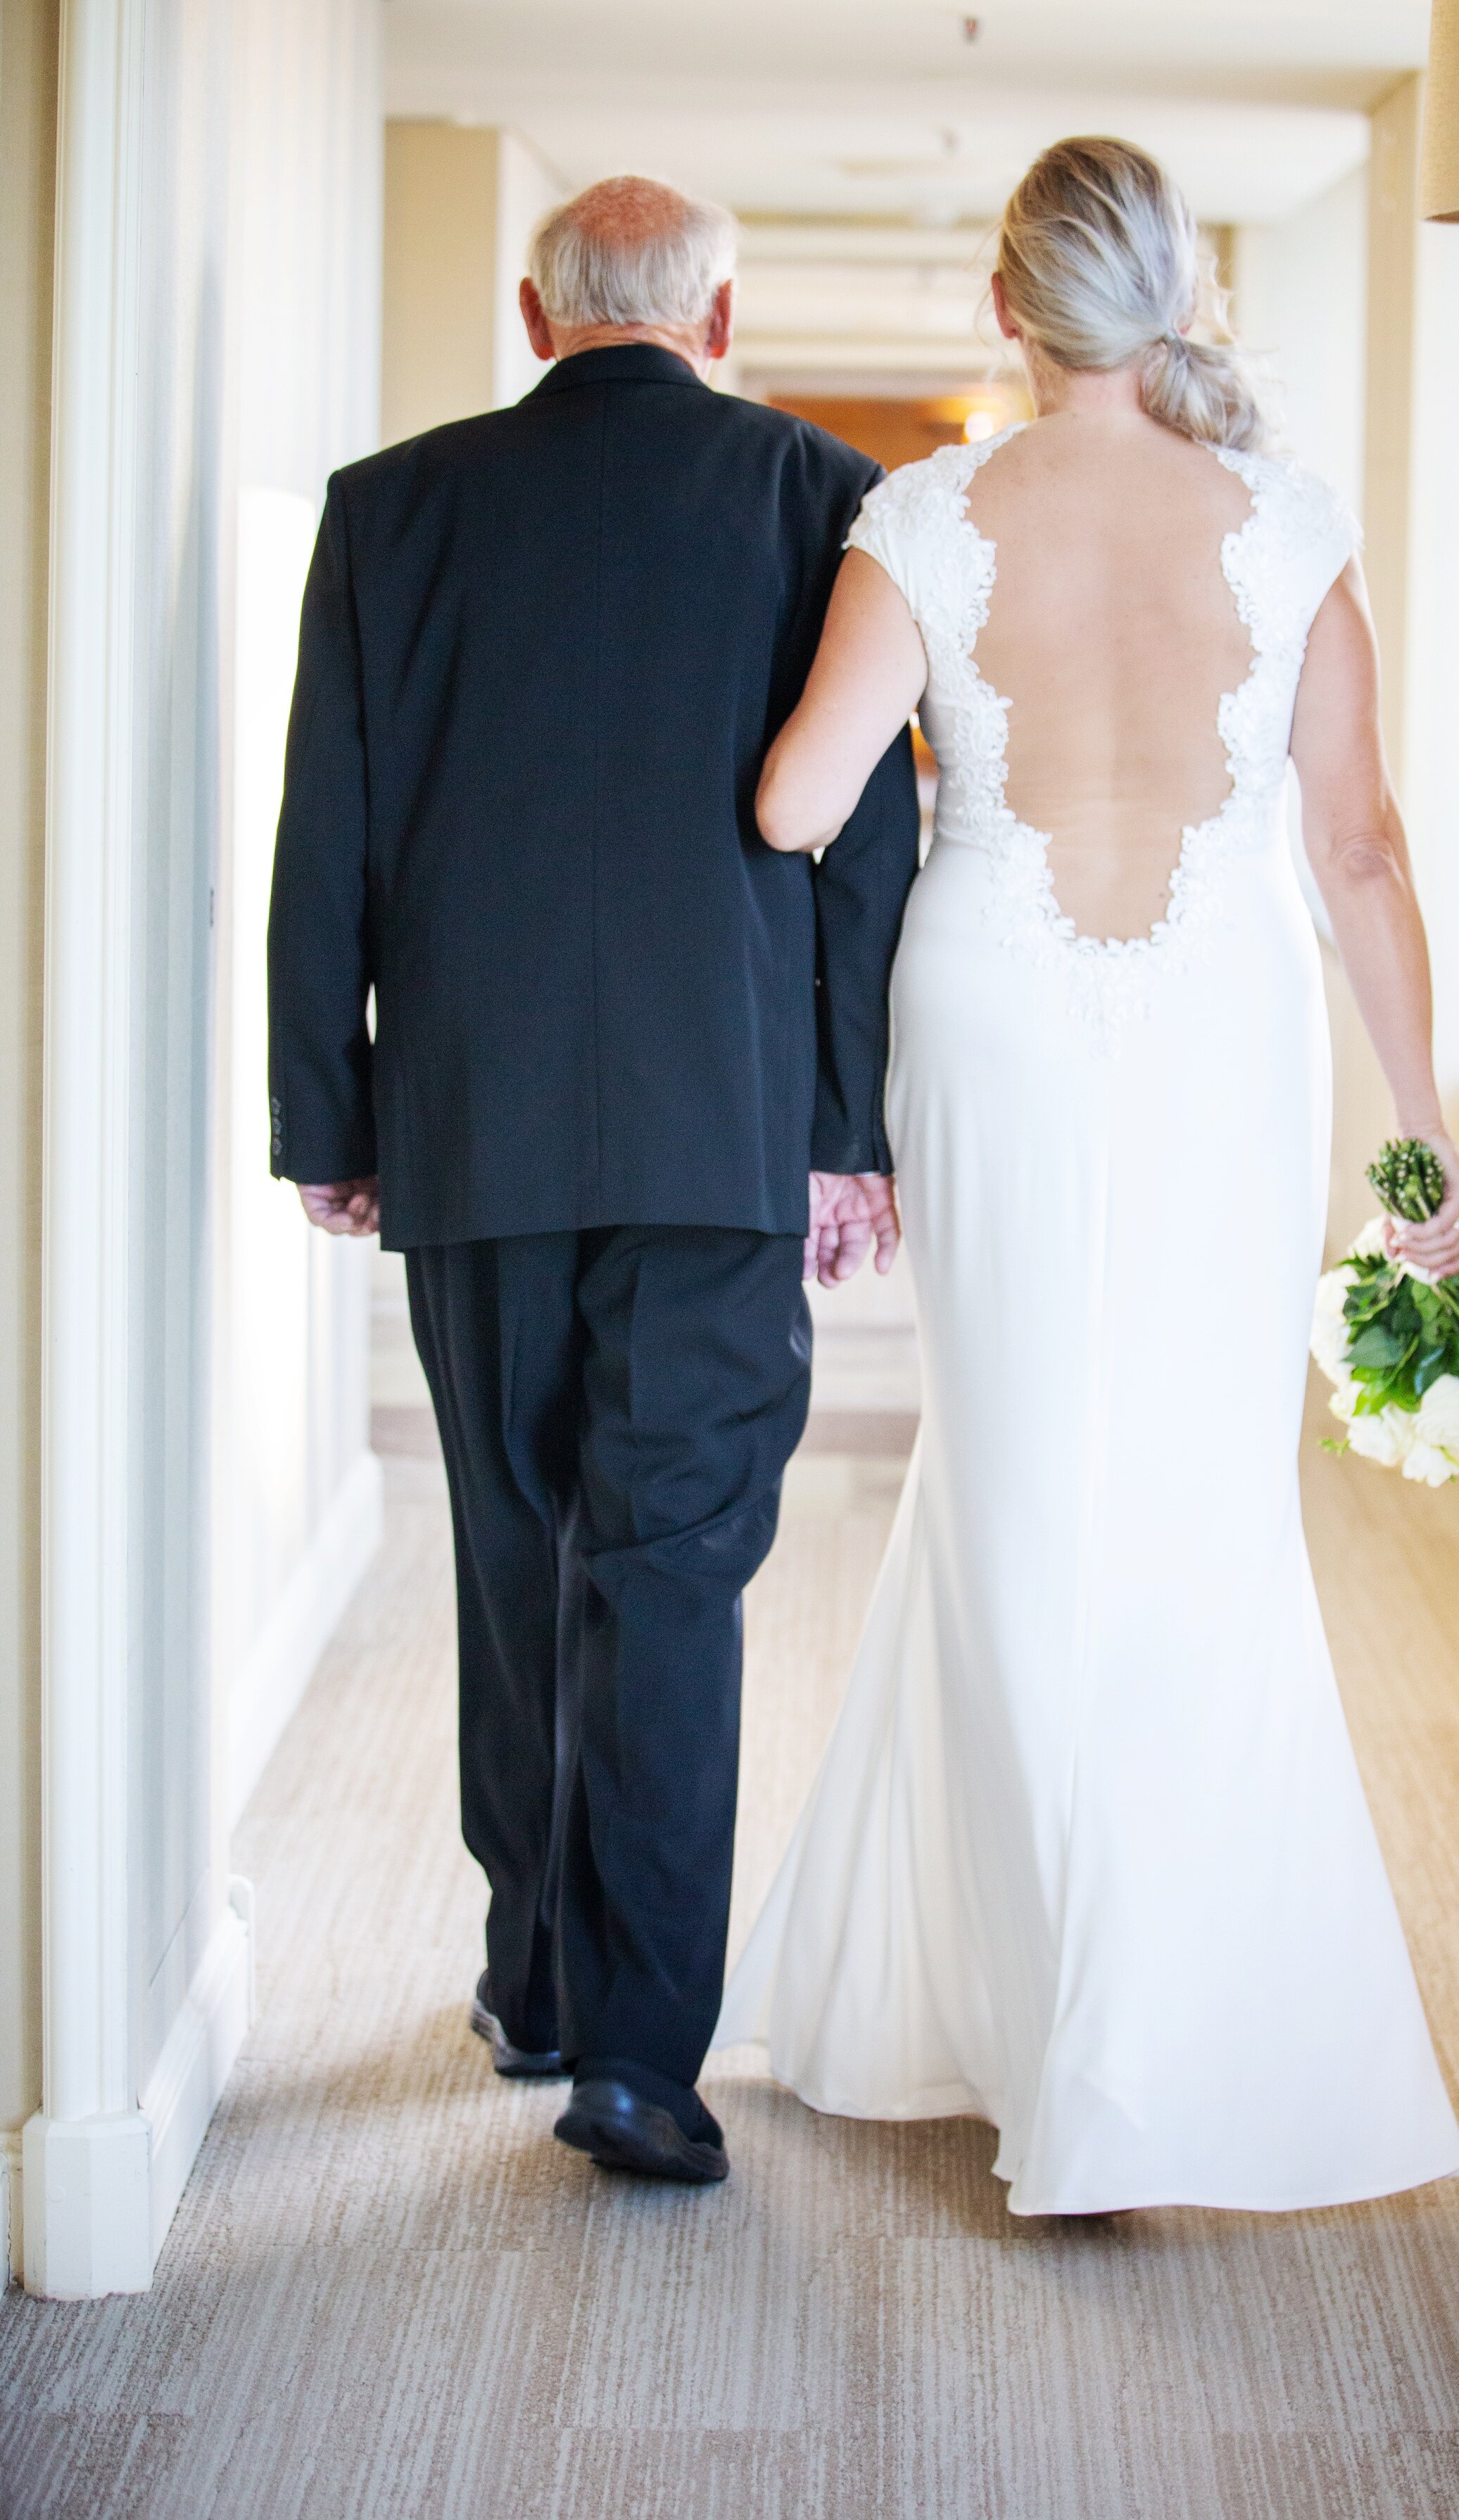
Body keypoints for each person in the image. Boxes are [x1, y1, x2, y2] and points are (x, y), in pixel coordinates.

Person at [715, 137, 1459, 2217]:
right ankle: (1142, 2029)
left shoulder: (928, 519)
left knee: (1017, 1476)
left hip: (997, 1020)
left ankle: (1035, 2016)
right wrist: (1423, 1127)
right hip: (1227, 1029)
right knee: (1199, 1496)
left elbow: (796, 804)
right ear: (1178, 292)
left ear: (1004, 306)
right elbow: (1356, 852)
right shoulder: (1289, 523)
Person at [267, 177, 919, 2186]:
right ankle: (637, 2053)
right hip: (720, 1128)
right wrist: (844, 1121)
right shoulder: (829, 494)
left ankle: (535, 1975)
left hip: (475, 1120)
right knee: (671, 1571)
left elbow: (331, 834)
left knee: (512, 1545)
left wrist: (332, 1117)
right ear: (712, 309)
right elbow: (867, 851)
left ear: (535, 313)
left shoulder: (392, 506)